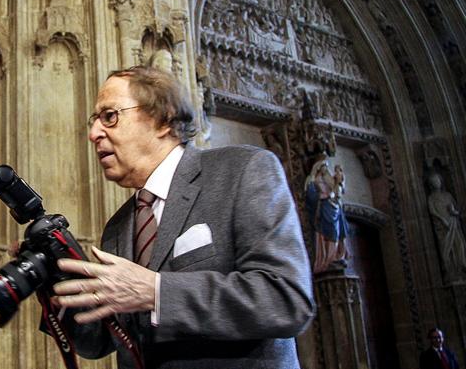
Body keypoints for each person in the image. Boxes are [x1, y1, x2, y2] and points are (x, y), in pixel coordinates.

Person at [52, 66, 315, 369]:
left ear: (163, 118)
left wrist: (158, 292)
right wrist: (55, 277)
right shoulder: (118, 226)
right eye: (95, 120)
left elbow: (286, 300)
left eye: (109, 116)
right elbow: (99, 343)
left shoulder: (243, 171)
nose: (93, 133)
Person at [304, 159, 349, 273]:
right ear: (319, 167)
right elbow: (312, 195)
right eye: (323, 166)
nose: (325, 168)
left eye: (326, 166)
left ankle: (337, 256)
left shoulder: (328, 179)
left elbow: (338, 190)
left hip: (333, 206)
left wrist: (338, 182)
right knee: (330, 232)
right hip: (325, 207)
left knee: (338, 232)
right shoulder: (313, 180)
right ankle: (329, 258)